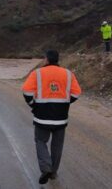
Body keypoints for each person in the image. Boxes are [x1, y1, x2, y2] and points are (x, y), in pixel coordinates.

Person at [22, 50, 82, 184]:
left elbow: (26, 90)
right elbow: (77, 93)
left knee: (41, 141)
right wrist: (66, 103)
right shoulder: (68, 74)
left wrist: (34, 105)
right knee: (57, 145)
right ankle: (53, 172)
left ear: (47, 59)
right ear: (57, 60)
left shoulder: (37, 73)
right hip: (61, 118)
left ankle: (45, 168)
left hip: (41, 116)